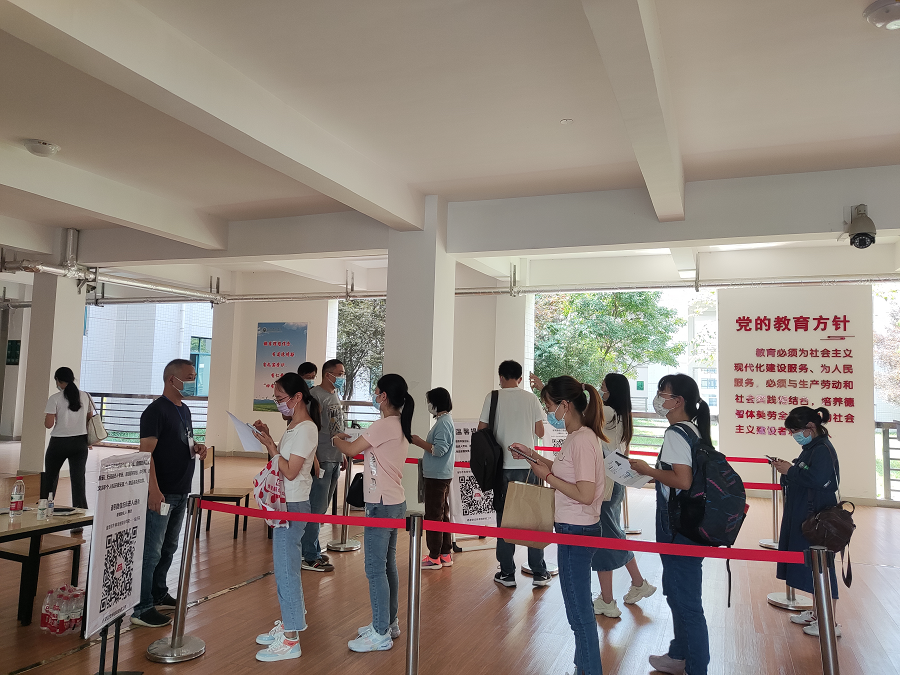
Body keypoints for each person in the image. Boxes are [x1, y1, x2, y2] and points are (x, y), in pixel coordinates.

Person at [510, 376, 607, 675]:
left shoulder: (582, 440)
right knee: (578, 610)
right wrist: (532, 455)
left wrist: (548, 477)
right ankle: (583, 668)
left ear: (565, 405)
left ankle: (589, 670)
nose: (549, 412)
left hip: (577, 530)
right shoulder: (576, 436)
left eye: (550, 406)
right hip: (573, 528)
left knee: (579, 614)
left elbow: (585, 493)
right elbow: (566, 472)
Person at [628, 373, 710, 675]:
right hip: (689, 525)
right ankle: (679, 655)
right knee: (677, 593)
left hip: (678, 528)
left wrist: (649, 469)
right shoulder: (693, 430)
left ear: (678, 401)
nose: (658, 398)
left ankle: (696, 667)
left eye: (663, 393)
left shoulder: (676, 433)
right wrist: (652, 475)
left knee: (685, 600)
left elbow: (683, 480)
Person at [334, 374, 412, 653]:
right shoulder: (399, 424)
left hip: (381, 504)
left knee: (375, 568)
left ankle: (380, 632)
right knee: (387, 565)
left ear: (384, 396)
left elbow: (351, 449)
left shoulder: (384, 425)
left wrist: (335, 438)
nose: (374, 396)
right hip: (394, 501)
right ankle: (388, 623)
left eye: (376, 391)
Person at [132, 359, 208, 628]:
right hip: (162, 492)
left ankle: (158, 592)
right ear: (171, 379)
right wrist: (153, 490)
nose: (194, 382)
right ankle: (141, 607)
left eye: (194, 376)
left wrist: (197, 446)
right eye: (189, 377)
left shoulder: (184, 410)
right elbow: (146, 454)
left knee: (169, 547)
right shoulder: (155, 411)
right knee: (151, 550)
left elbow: (181, 440)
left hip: (181, 490)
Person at [251, 373, 321, 661]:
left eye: (280, 399)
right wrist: (270, 441)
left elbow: (290, 471)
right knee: (286, 567)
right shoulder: (294, 426)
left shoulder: (306, 428)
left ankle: (292, 638)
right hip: (285, 502)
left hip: (293, 504)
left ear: (297, 397)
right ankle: (291, 621)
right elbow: (283, 460)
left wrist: (272, 450)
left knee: (286, 570)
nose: (278, 403)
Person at [479, 360, 550, 588]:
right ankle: (539, 572)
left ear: (501, 377)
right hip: (530, 468)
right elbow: (540, 431)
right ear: (520, 379)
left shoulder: (492, 397)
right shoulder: (531, 399)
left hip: (502, 469)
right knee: (533, 518)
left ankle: (507, 573)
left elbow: (481, 430)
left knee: (504, 520)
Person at [592, 373, 656, 617]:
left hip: (605, 482)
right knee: (612, 533)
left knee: (604, 537)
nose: (600, 391)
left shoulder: (607, 412)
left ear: (612, 390)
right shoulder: (623, 415)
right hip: (616, 481)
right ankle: (637, 583)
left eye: (603, 387)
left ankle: (608, 600)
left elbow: (582, 416)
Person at [775, 406, 841, 638]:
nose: (794, 435)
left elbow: (818, 480)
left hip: (816, 515)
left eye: (796, 430)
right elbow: (805, 474)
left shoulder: (822, 449)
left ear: (810, 427)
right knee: (812, 565)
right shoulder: (812, 447)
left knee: (822, 566)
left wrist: (790, 471)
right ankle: (817, 612)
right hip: (806, 511)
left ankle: (829, 622)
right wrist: (789, 470)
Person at [301, 358, 349, 572]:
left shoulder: (334, 394)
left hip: (334, 457)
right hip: (321, 458)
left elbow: (336, 428)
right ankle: (309, 555)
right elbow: (309, 429)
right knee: (316, 508)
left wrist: (342, 452)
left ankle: (313, 549)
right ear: (328, 374)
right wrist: (314, 459)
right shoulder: (315, 396)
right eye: (339, 373)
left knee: (321, 509)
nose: (342, 377)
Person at [410, 387, 456, 569]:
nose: (428, 405)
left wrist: (419, 442)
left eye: (430, 401)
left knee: (433, 515)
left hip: (437, 475)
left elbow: (439, 450)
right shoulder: (444, 421)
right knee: (442, 514)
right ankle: (444, 553)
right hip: (441, 473)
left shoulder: (443, 423)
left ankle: (434, 556)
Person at [43, 367, 93, 510]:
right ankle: (80, 512)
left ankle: (45, 508)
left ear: (58, 381)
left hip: (59, 443)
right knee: (78, 480)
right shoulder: (85, 396)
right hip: (80, 443)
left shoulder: (55, 398)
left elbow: (48, 424)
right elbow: (89, 419)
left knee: (50, 477)